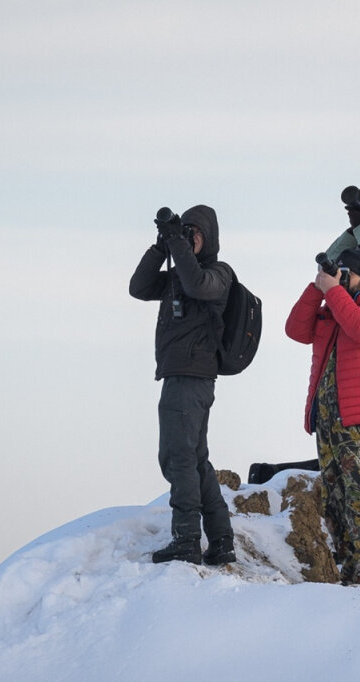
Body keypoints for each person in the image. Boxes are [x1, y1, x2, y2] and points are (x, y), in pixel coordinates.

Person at [285, 248, 360, 590]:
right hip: (330, 422)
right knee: (337, 503)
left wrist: (333, 293)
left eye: (345, 274)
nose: (339, 279)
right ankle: (350, 575)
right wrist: (317, 288)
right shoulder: (334, 307)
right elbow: (295, 329)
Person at [128, 205, 236, 565]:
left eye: (195, 233)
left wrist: (180, 247)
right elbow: (138, 287)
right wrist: (162, 246)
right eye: (185, 231)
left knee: (177, 458)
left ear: (210, 238)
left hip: (192, 377)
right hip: (181, 375)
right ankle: (220, 539)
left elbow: (196, 284)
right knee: (193, 458)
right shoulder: (177, 274)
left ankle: (186, 538)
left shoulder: (218, 273)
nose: (188, 239)